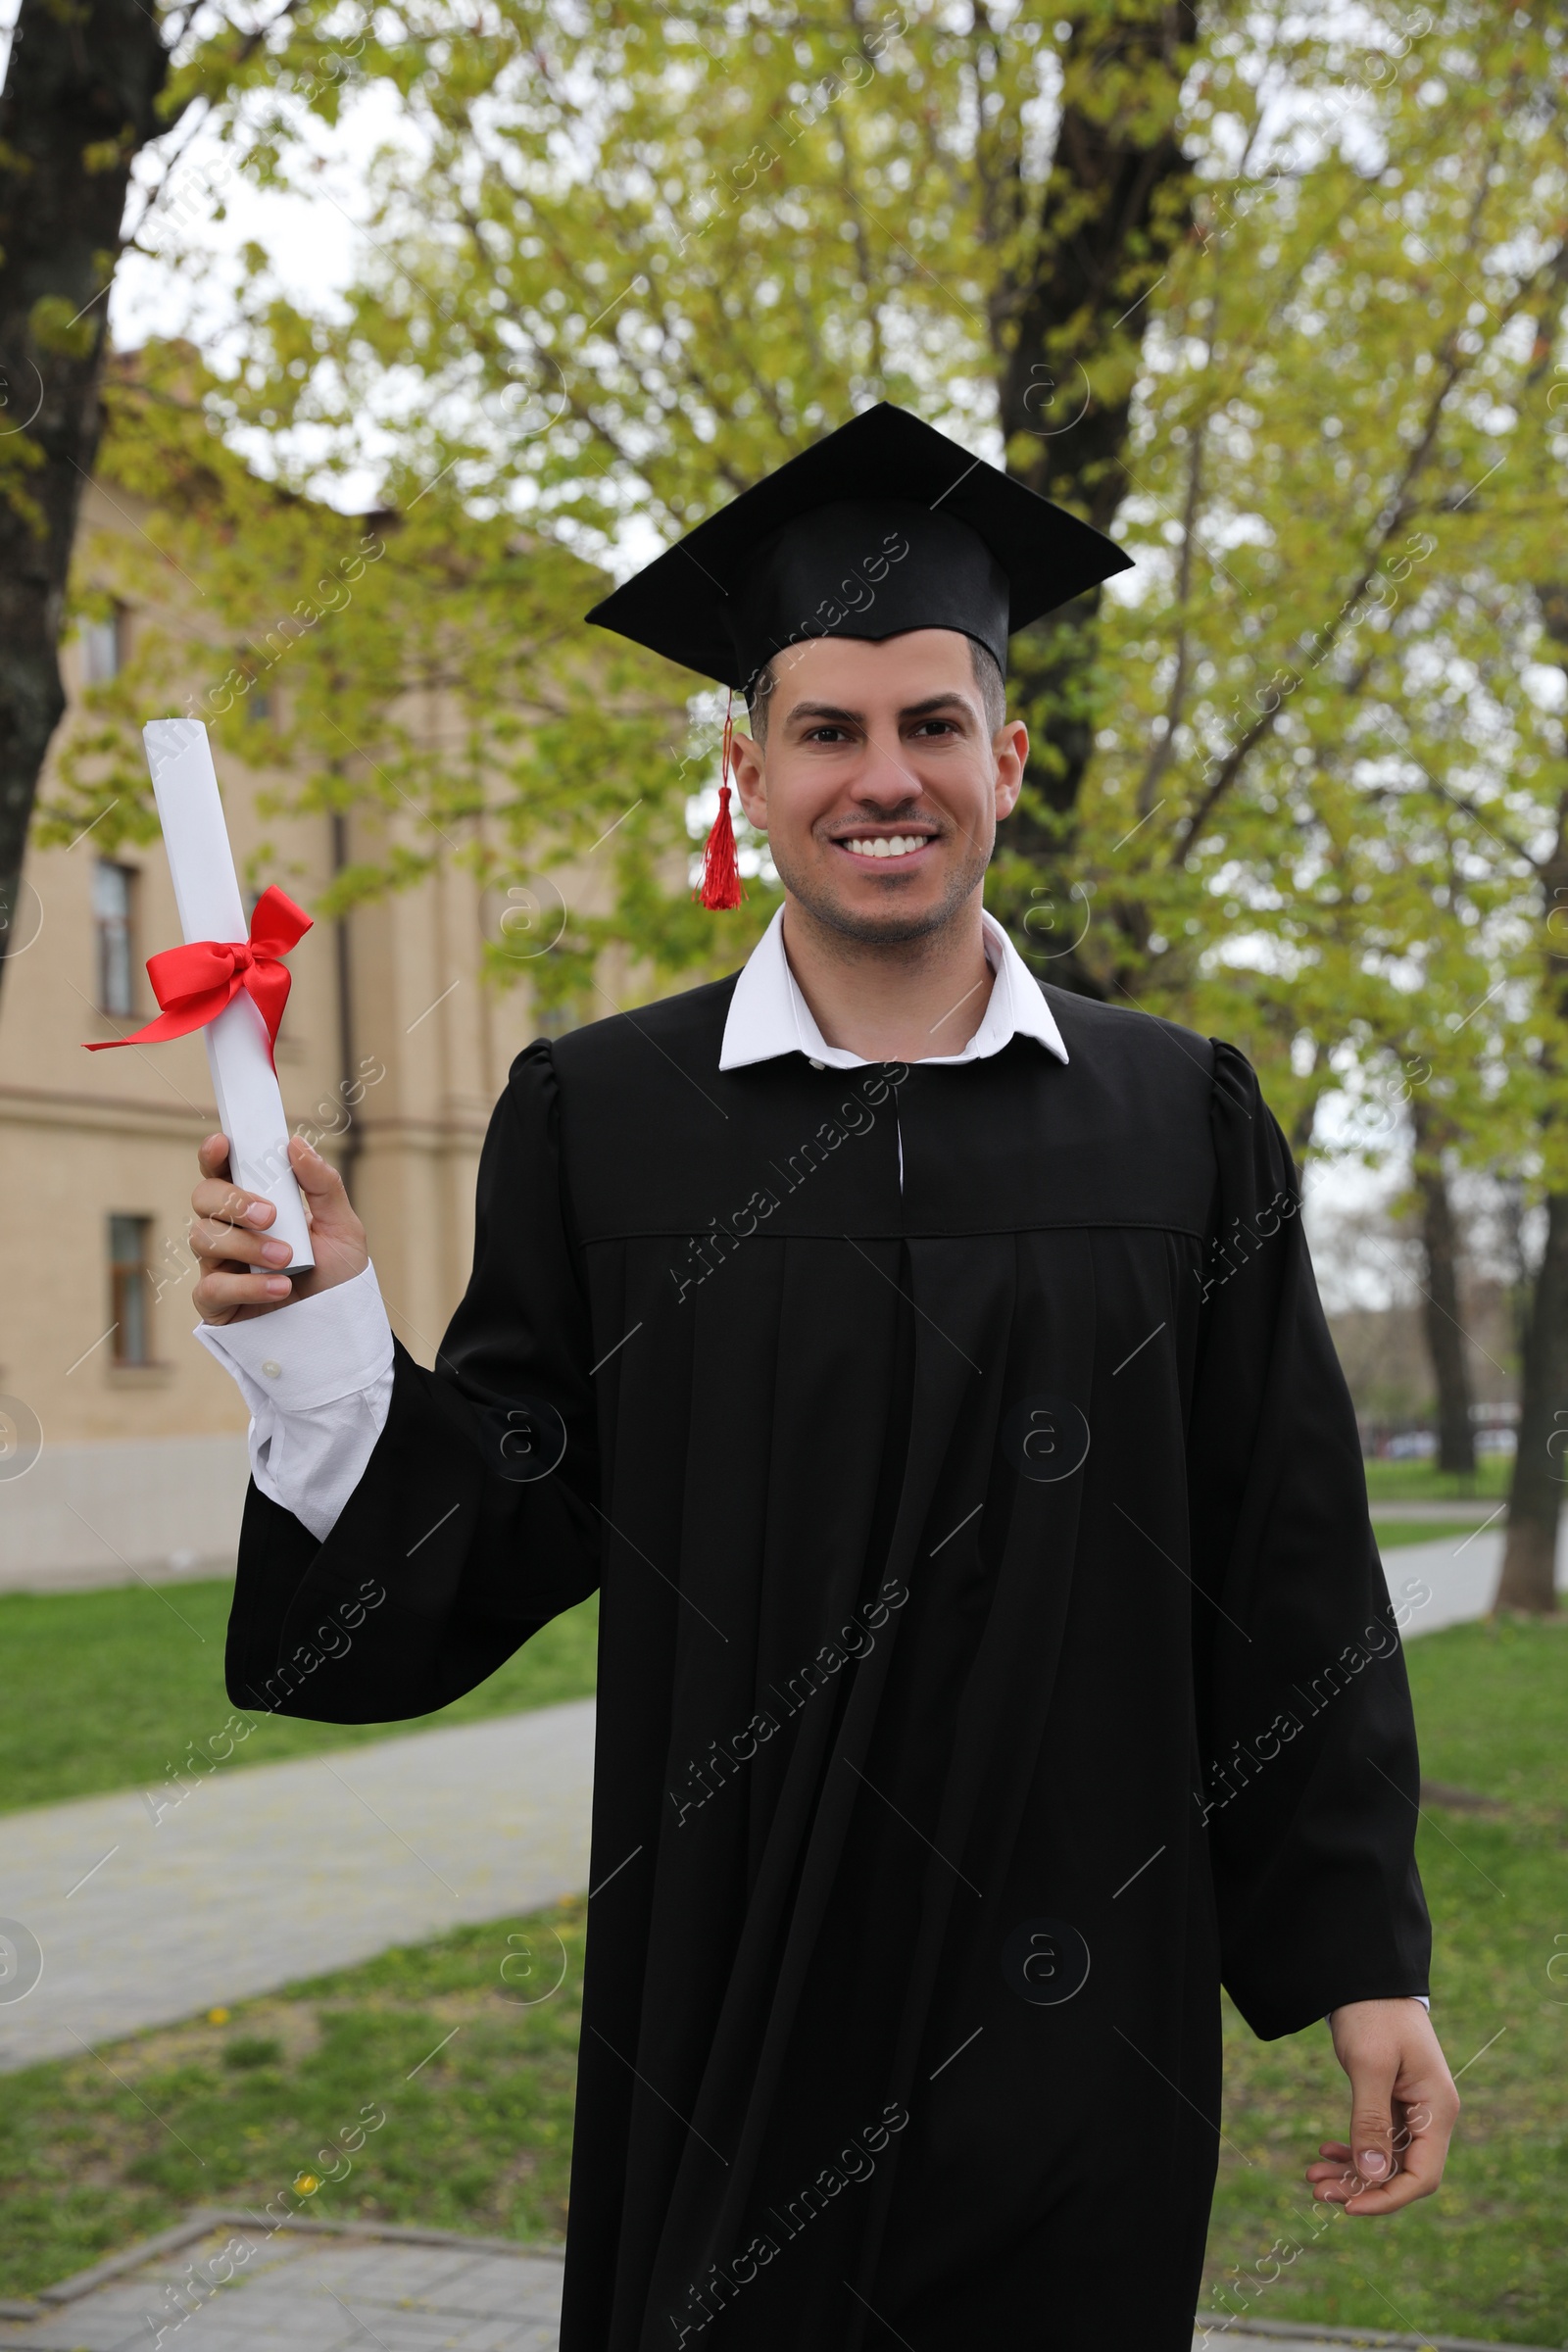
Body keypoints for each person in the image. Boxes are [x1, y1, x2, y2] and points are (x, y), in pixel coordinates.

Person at [188, 405, 1458, 2352]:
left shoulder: (1173, 1121)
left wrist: (1360, 1956)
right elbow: (508, 1519)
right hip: (736, 2008)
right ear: (747, 774)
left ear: (1005, 762)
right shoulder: (603, 1121)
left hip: (1078, 2008)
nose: (883, 776)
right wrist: (322, 1335)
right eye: (827, 730)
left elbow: (1277, 1557)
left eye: (928, 725)